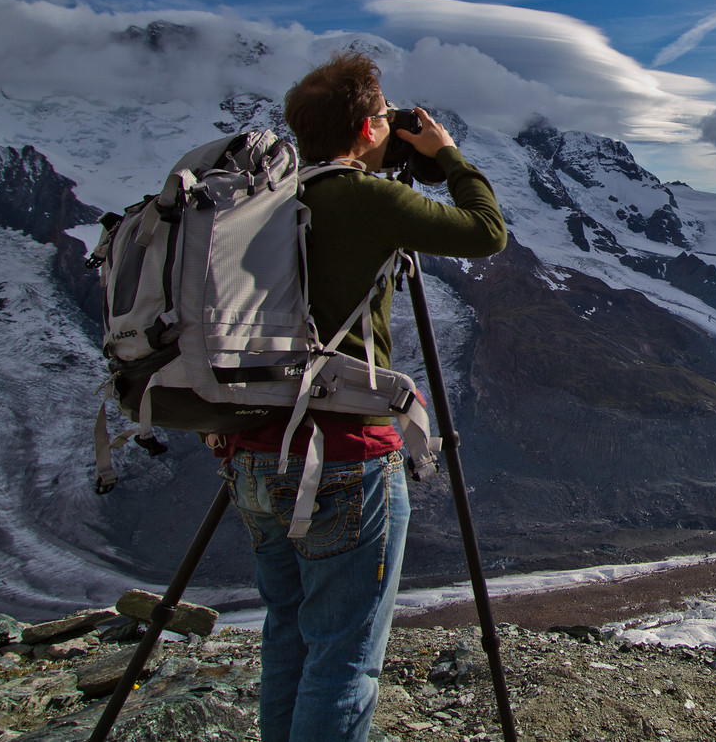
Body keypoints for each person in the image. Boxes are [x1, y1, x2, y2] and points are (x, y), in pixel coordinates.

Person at [216, 50, 507, 742]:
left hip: (254, 454)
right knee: (345, 655)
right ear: (369, 127)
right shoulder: (364, 198)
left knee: (288, 633)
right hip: (344, 458)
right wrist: (448, 153)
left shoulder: (263, 198)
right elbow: (486, 231)